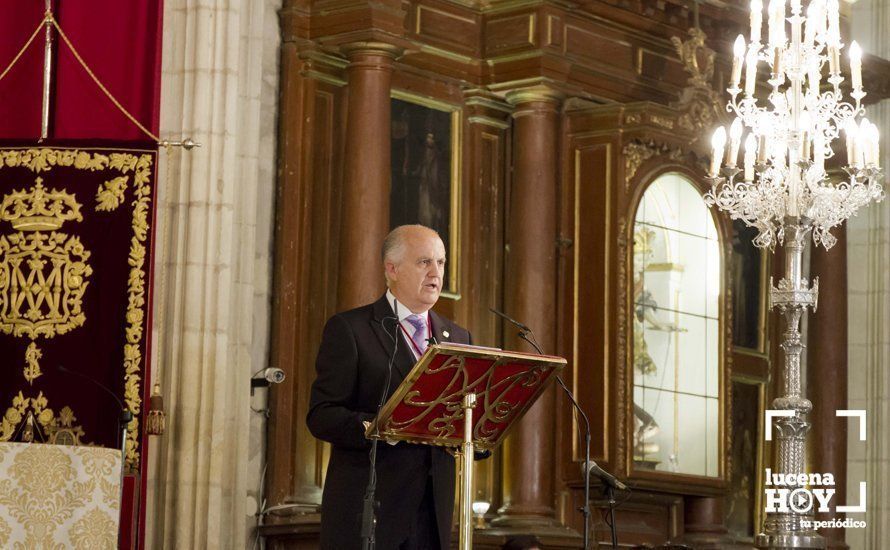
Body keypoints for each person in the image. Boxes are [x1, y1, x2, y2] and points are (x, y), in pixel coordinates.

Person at [307, 224, 472, 550]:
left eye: (441, 263)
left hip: (432, 515)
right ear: (391, 269)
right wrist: (376, 426)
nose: (435, 272)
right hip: (370, 511)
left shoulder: (459, 339)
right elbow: (322, 415)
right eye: (424, 262)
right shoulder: (351, 330)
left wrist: (477, 431)